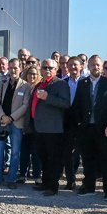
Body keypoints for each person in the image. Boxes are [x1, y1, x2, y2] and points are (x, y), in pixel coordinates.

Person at [73, 55, 107, 197]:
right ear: (88, 66)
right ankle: (89, 187)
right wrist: (79, 122)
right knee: (87, 159)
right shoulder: (82, 83)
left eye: (98, 65)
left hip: (104, 128)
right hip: (86, 128)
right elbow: (77, 105)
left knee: (106, 159)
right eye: (92, 65)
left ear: (101, 66)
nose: (95, 67)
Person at [0, 59, 33, 189]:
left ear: (20, 69)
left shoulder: (25, 86)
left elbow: (26, 105)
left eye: (15, 68)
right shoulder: (2, 83)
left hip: (16, 123)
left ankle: (11, 180)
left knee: (15, 153)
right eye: (11, 68)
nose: (13, 70)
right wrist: (3, 116)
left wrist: (11, 117)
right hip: (2, 122)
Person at [31, 59, 70, 196]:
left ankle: (53, 187)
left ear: (56, 69)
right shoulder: (39, 84)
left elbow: (66, 103)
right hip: (39, 128)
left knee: (53, 159)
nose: (47, 69)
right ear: (40, 69)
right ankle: (45, 183)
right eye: (44, 67)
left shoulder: (60, 84)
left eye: (50, 67)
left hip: (53, 129)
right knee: (43, 158)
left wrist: (48, 97)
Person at [60, 56, 83, 190]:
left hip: (83, 122)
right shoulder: (62, 83)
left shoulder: (86, 83)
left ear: (81, 66)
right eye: (70, 65)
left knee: (83, 152)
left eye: (76, 65)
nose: (73, 67)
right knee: (67, 152)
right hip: (67, 121)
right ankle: (70, 180)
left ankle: (87, 181)